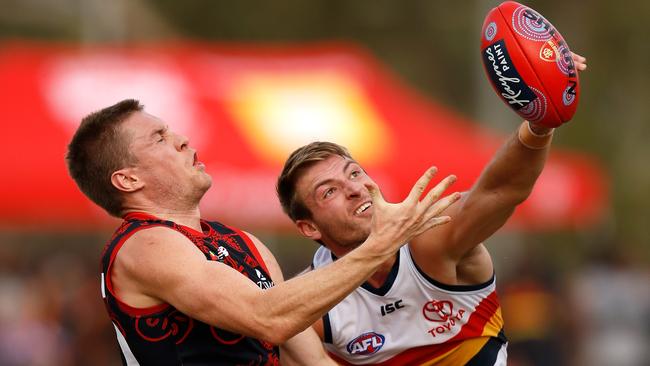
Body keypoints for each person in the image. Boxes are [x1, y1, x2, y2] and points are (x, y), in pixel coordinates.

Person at [65, 99, 459, 365]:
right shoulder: (142, 245)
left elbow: (313, 360)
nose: (182, 139)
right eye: (160, 139)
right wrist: (382, 243)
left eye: (170, 131)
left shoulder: (243, 243)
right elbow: (268, 317)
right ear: (128, 178)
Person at [276, 55, 588, 365]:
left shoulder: (430, 234)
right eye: (329, 191)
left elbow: (502, 189)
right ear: (309, 227)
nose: (355, 189)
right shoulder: (308, 306)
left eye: (354, 173)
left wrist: (539, 125)